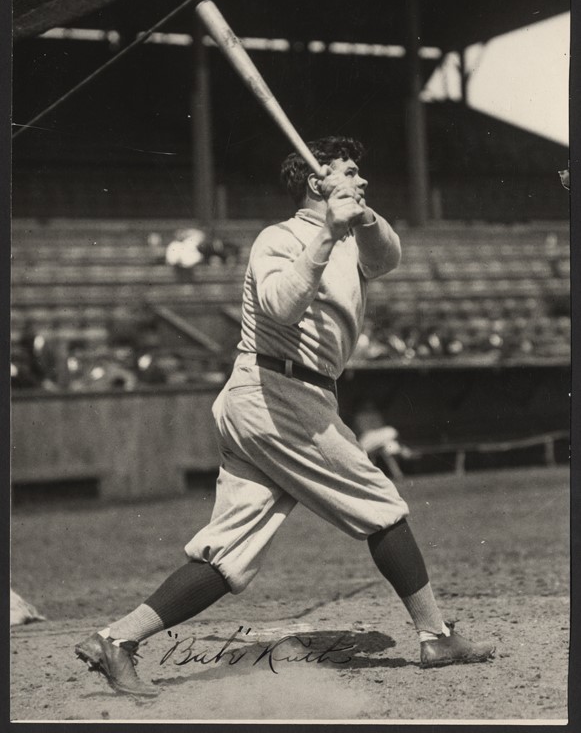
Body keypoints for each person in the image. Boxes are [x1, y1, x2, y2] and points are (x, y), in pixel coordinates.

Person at [75, 136, 495, 696]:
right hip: (276, 391)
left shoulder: (352, 239)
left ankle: (117, 639)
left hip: (289, 398)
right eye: (349, 171)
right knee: (381, 506)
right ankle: (436, 635)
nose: (362, 179)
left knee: (230, 555)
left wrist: (356, 214)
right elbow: (281, 305)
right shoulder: (280, 237)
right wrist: (326, 229)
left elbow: (388, 256)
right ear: (315, 183)